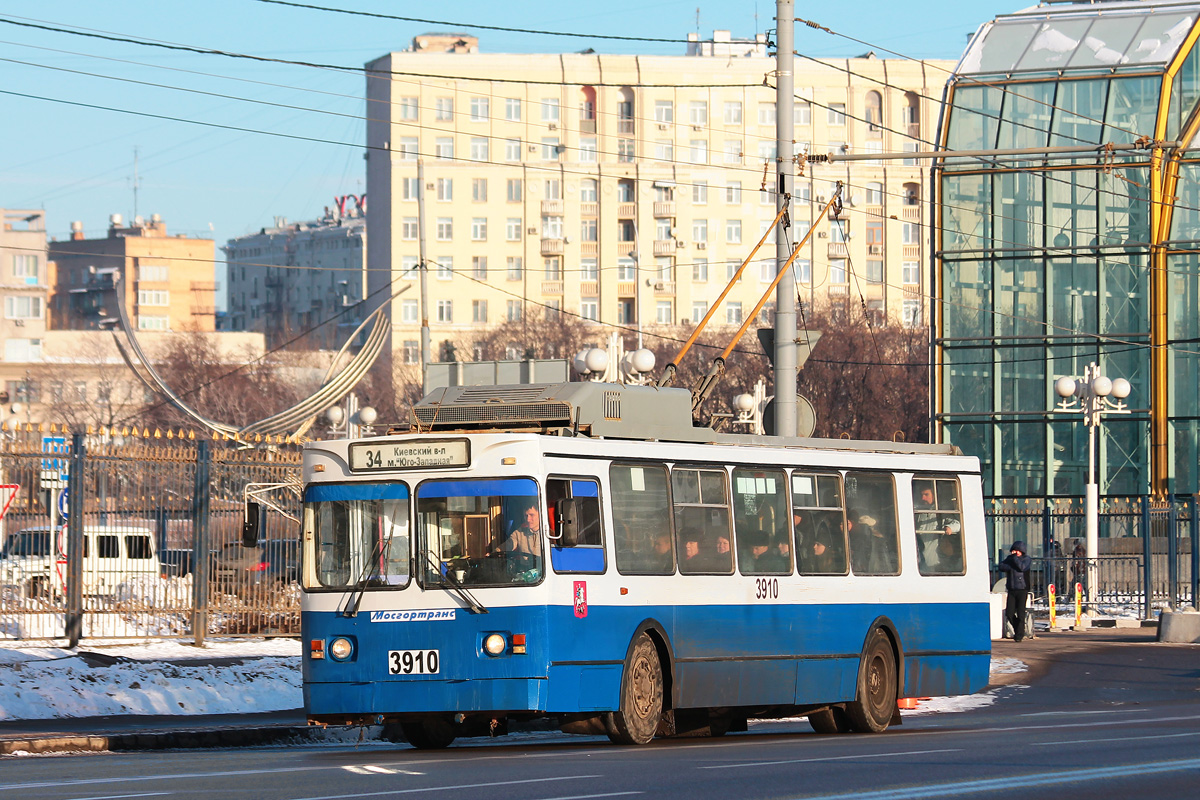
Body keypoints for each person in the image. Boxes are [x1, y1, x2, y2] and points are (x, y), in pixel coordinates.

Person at [998, 541, 1033, 642]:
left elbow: (1022, 567)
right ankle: (1018, 628)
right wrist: (1011, 563)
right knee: (1009, 613)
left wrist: (1014, 559)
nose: (1015, 552)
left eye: (1017, 551)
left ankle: (1019, 635)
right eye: (1014, 550)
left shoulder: (1026, 559)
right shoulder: (1010, 559)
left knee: (1020, 613)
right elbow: (1001, 566)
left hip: (1022, 589)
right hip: (1012, 589)